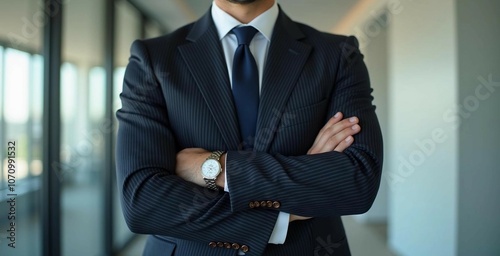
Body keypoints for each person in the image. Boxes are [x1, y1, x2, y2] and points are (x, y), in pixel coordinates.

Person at [115, 0, 383, 255]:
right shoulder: (152, 59)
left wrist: (215, 167)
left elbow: (357, 182)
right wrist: (283, 214)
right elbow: (142, 202)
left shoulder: (338, 55)